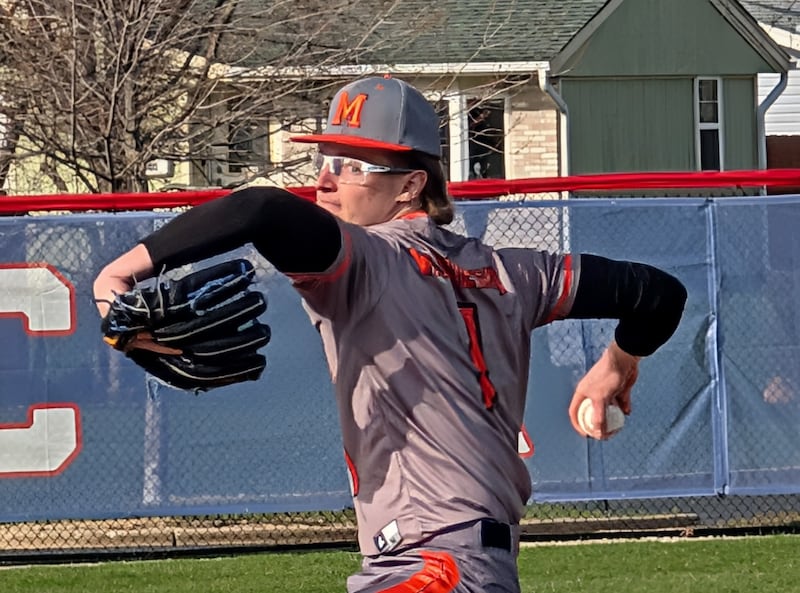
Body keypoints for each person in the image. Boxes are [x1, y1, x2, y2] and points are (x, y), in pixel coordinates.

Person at [93, 75, 687, 593]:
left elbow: (261, 210)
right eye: (323, 162)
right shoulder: (515, 271)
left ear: (409, 185)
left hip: (434, 559)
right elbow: (657, 295)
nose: (324, 183)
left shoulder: (369, 259)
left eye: (350, 166)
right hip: (462, 560)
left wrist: (121, 271)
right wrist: (617, 363)